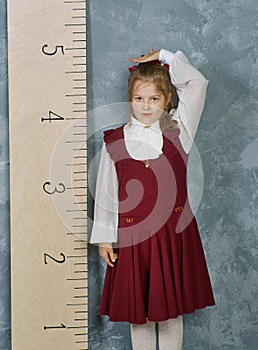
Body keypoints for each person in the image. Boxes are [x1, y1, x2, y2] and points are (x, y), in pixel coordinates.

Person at [89, 47, 216, 350]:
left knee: (170, 312)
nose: (146, 106)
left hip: (174, 234)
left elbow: (198, 84)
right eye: (139, 98)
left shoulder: (179, 129)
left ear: (168, 100)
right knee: (140, 313)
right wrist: (106, 239)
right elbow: (107, 193)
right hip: (133, 237)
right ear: (130, 99)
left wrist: (166, 56)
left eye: (154, 98)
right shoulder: (114, 141)